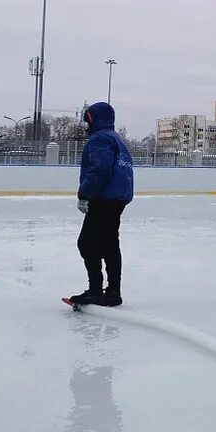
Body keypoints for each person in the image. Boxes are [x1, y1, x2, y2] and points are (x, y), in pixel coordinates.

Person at [69, 102, 134, 306]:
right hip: (117, 197)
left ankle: (96, 290)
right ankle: (112, 291)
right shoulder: (116, 138)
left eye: (87, 118)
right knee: (109, 244)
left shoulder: (99, 139)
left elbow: (100, 170)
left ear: (93, 118)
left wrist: (85, 194)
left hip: (104, 198)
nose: (85, 123)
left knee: (87, 244)